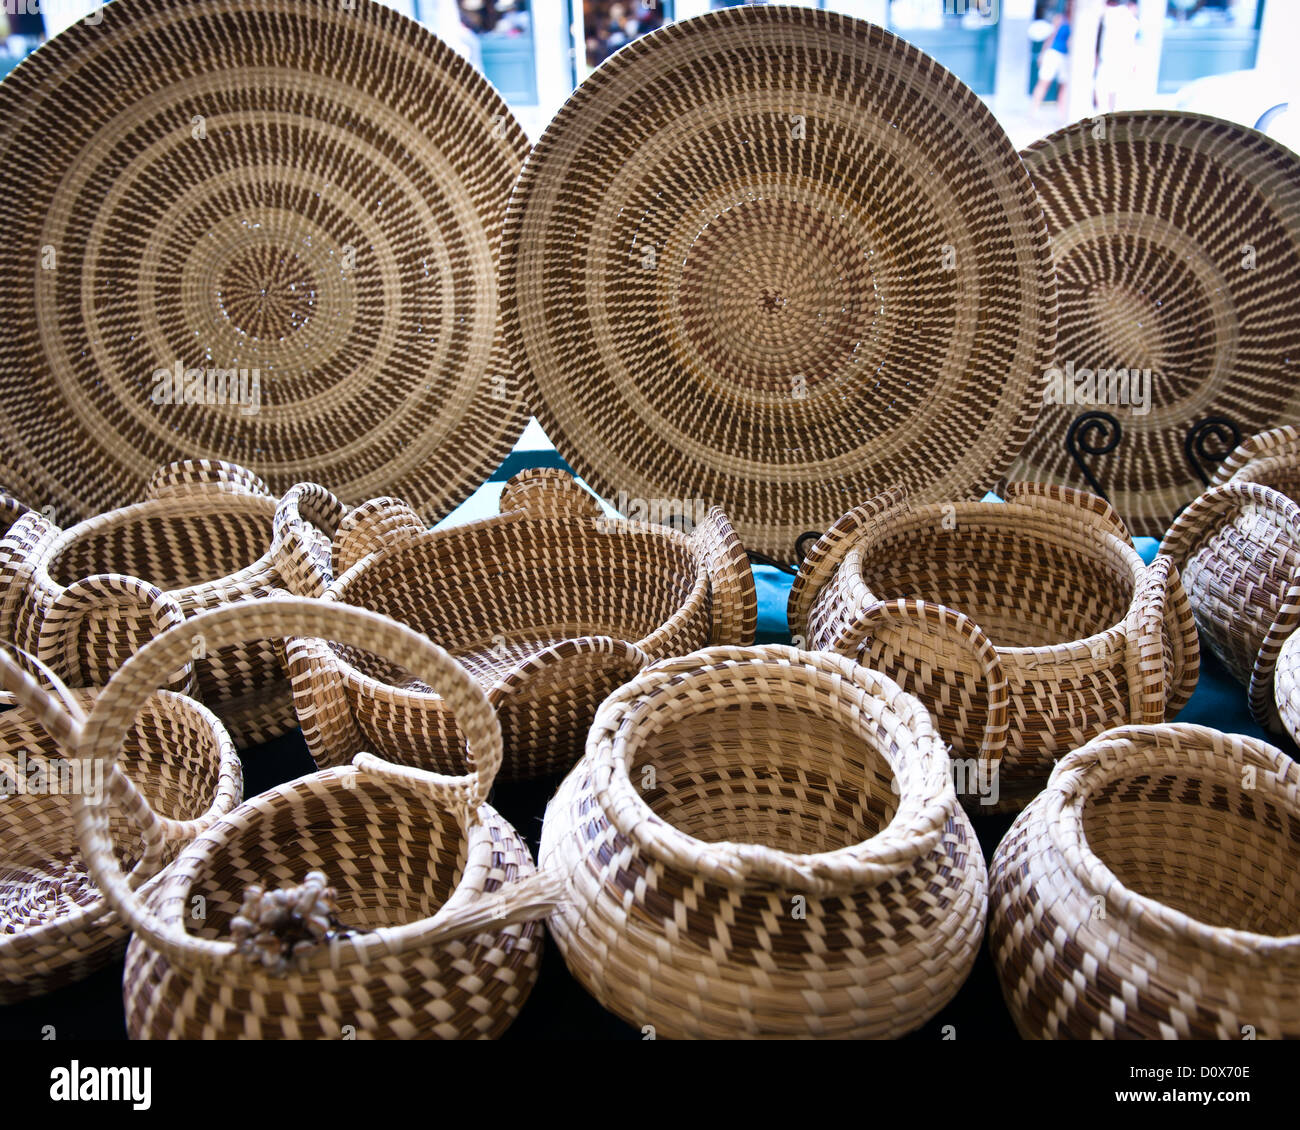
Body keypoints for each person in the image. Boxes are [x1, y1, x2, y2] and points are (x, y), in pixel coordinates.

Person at [1094, 0, 1139, 112]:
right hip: (1111, 60)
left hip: (1116, 61)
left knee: (1109, 92)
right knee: (1107, 91)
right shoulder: (1119, 15)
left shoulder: (1123, 18)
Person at [1031, 4, 1072, 119]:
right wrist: (1042, 54)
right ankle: (1033, 110)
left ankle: (1062, 114)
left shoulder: (1074, 20)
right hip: (1053, 53)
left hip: (1066, 56)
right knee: (1044, 82)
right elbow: (1051, 37)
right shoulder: (1060, 18)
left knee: (1064, 85)